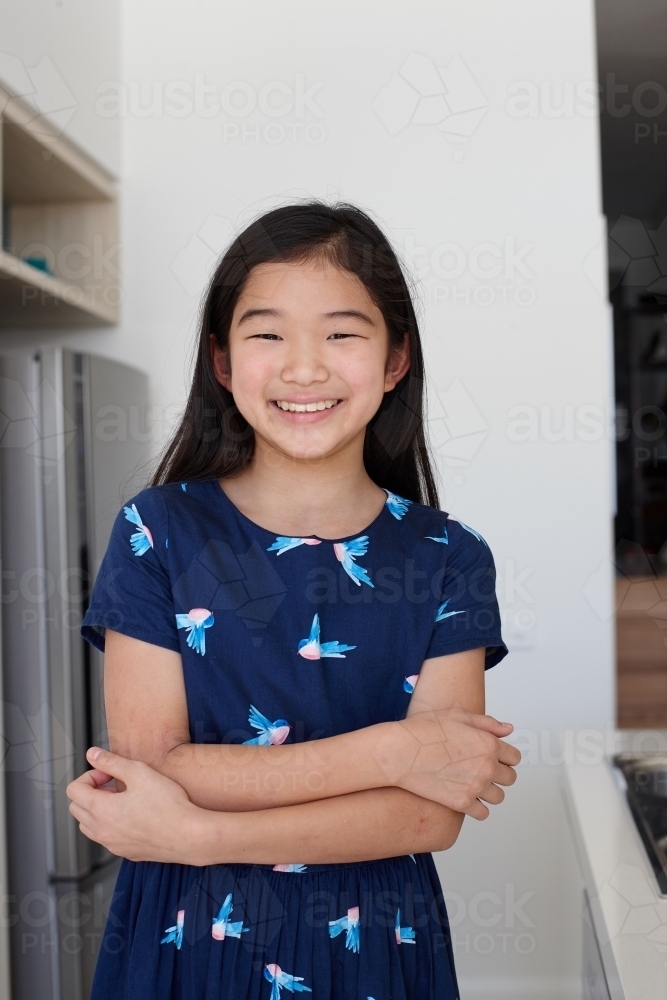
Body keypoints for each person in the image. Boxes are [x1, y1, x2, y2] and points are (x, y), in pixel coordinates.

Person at [66, 201, 520, 1000]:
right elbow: (153, 769)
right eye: (267, 333)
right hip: (187, 943)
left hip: (376, 950)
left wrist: (200, 833)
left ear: (394, 359)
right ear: (221, 360)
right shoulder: (157, 532)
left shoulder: (449, 557)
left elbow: (427, 817)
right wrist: (387, 756)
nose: (303, 368)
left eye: (342, 333)